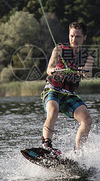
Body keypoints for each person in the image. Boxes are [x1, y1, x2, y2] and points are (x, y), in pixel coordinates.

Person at [40, 22, 93, 154]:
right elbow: (49, 68)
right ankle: (47, 145)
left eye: (78, 36)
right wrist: (55, 71)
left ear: (84, 37)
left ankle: (77, 153)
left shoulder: (88, 57)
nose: (74, 39)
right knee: (53, 110)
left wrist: (83, 71)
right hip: (52, 89)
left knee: (87, 119)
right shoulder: (59, 49)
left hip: (69, 94)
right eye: (72, 36)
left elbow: (89, 72)